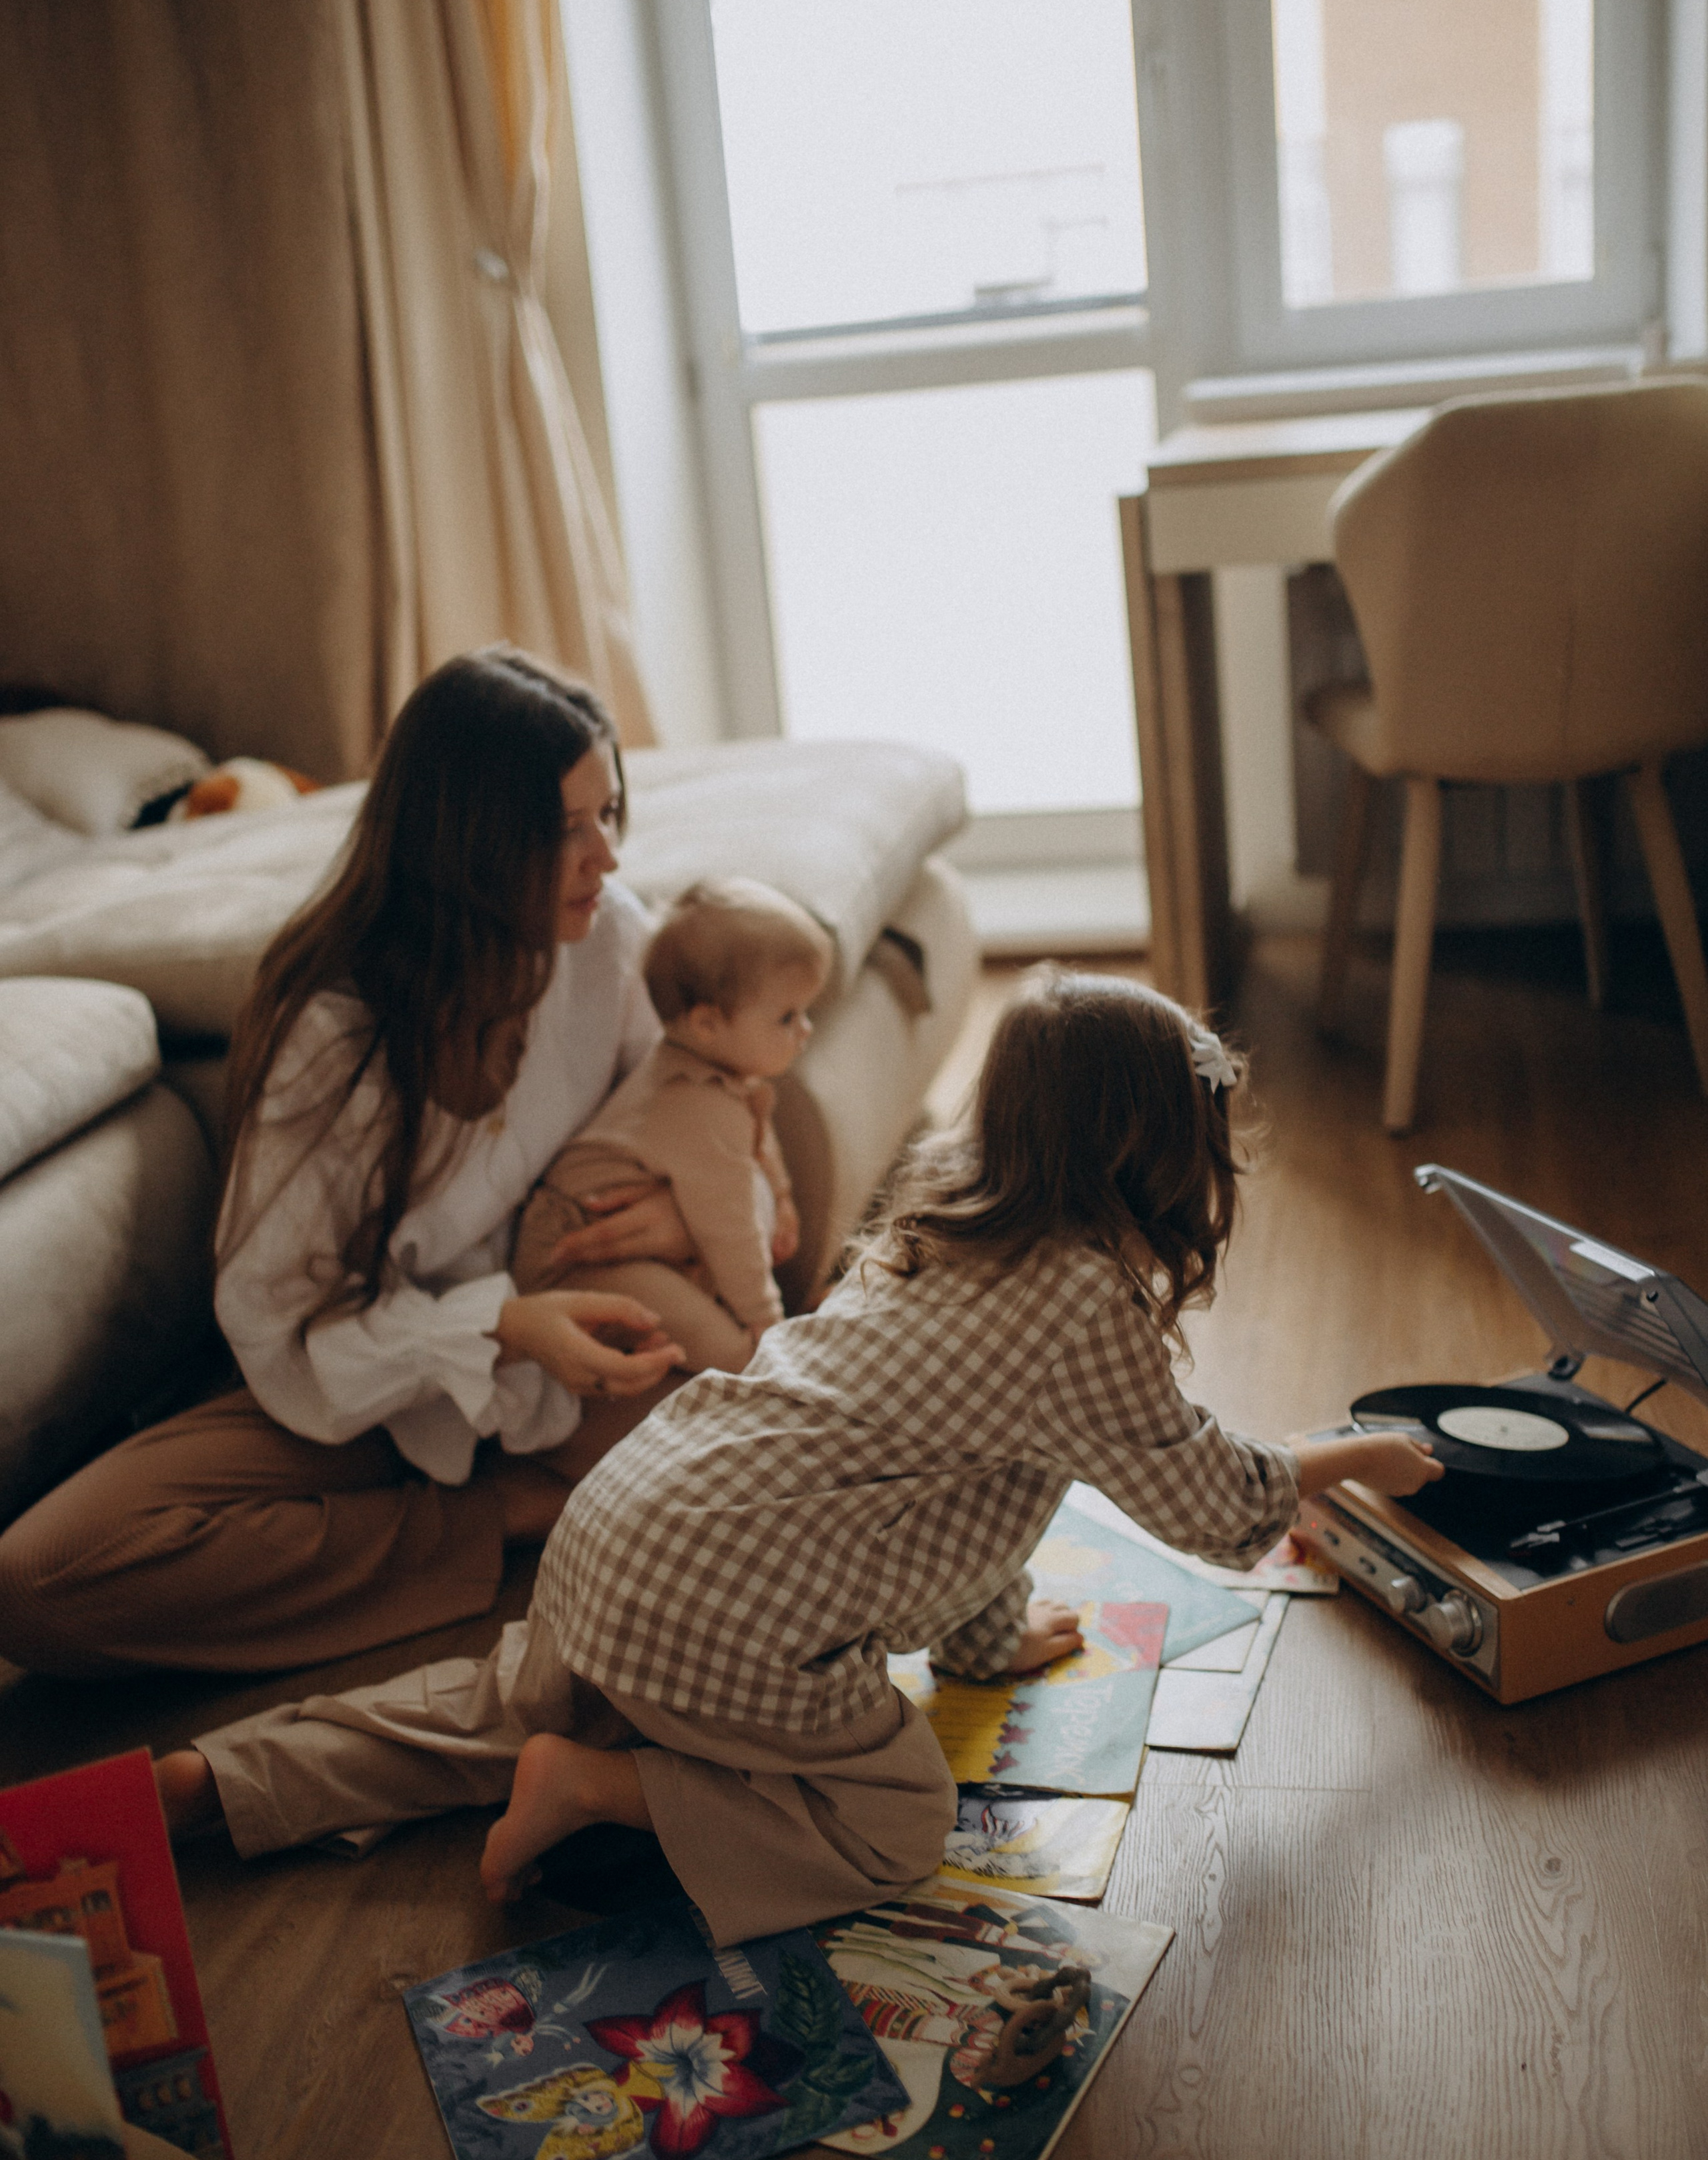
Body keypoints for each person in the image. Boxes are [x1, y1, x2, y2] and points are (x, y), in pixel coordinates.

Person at [155, 971, 1441, 1947]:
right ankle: (597, 1787)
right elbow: (1221, 1510)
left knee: (493, 1709)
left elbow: (953, 1469)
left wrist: (990, 1637)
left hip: (622, 1535)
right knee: (895, 1815)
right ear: (1157, 1148)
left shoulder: (947, 1215)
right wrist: (1356, 1452)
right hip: (728, 1610)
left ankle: (214, 1782)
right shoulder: (1086, 1300)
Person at [0, 647, 735, 1680]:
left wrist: (662, 1215)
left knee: (761, 1460)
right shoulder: (334, 1040)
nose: (605, 858)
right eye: (564, 830)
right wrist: (499, 1323)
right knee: (42, 1578)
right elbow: (278, 1324)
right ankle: (502, 1523)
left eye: (609, 813)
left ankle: (494, 1511)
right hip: (360, 1387)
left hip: (560, 1360)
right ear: (470, 844)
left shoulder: (607, 940)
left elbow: (686, 1109)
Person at [510, 879, 832, 1374]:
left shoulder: (717, 1073)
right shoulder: (698, 1106)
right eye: (788, 1016)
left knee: (712, 1292)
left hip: (622, 1234)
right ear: (706, 1023)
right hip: (571, 1256)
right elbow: (731, 1227)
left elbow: (756, 1139)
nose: (805, 1030)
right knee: (730, 1349)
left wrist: (783, 1197)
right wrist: (768, 1321)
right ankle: (762, 1375)